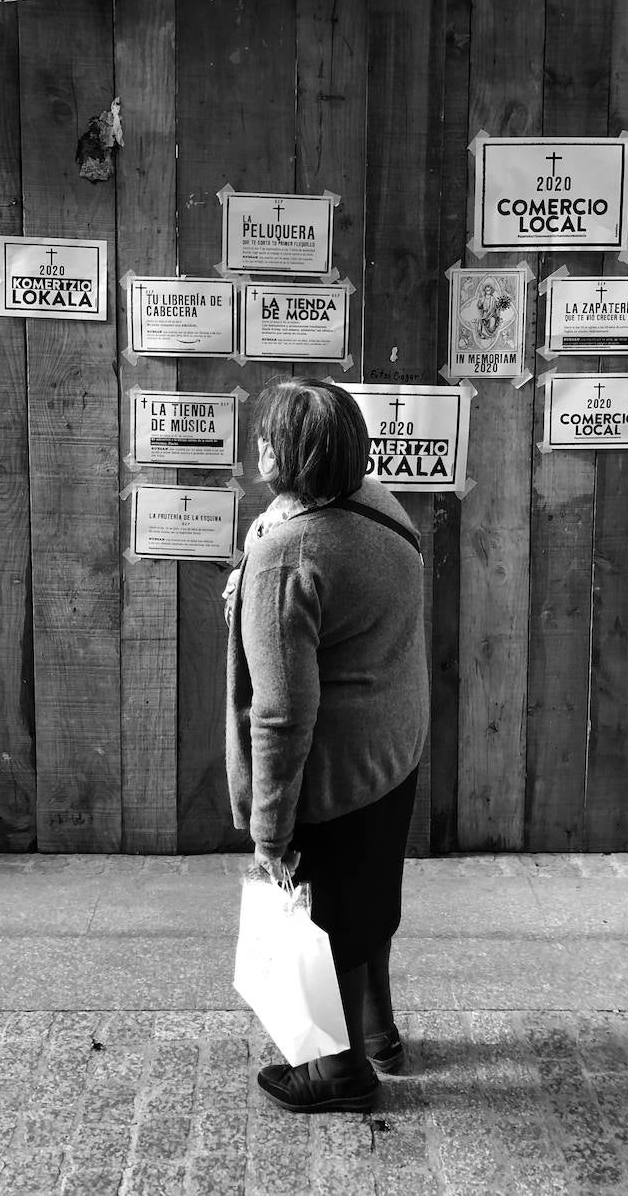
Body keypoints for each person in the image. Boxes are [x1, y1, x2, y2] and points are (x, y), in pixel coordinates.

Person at [225, 377, 429, 1114]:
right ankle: (378, 1031)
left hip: (333, 771)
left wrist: (269, 831)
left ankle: (334, 1069)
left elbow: (280, 713)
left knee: (309, 912)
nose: (257, 447)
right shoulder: (377, 503)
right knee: (365, 899)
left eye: (268, 438)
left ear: (295, 456)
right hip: (393, 749)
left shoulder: (287, 555)